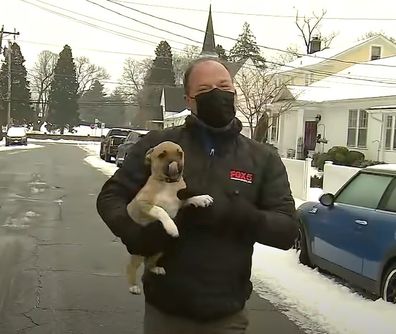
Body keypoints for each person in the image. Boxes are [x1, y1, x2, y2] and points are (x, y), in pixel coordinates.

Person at [96, 58, 298, 334]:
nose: (217, 93)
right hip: (166, 309)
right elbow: (111, 196)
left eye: (224, 86)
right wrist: (132, 232)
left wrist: (240, 215)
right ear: (189, 100)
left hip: (226, 312)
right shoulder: (160, 146)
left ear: (234, 91)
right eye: (205, 90)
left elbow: (286, 230)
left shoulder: (262, 159)